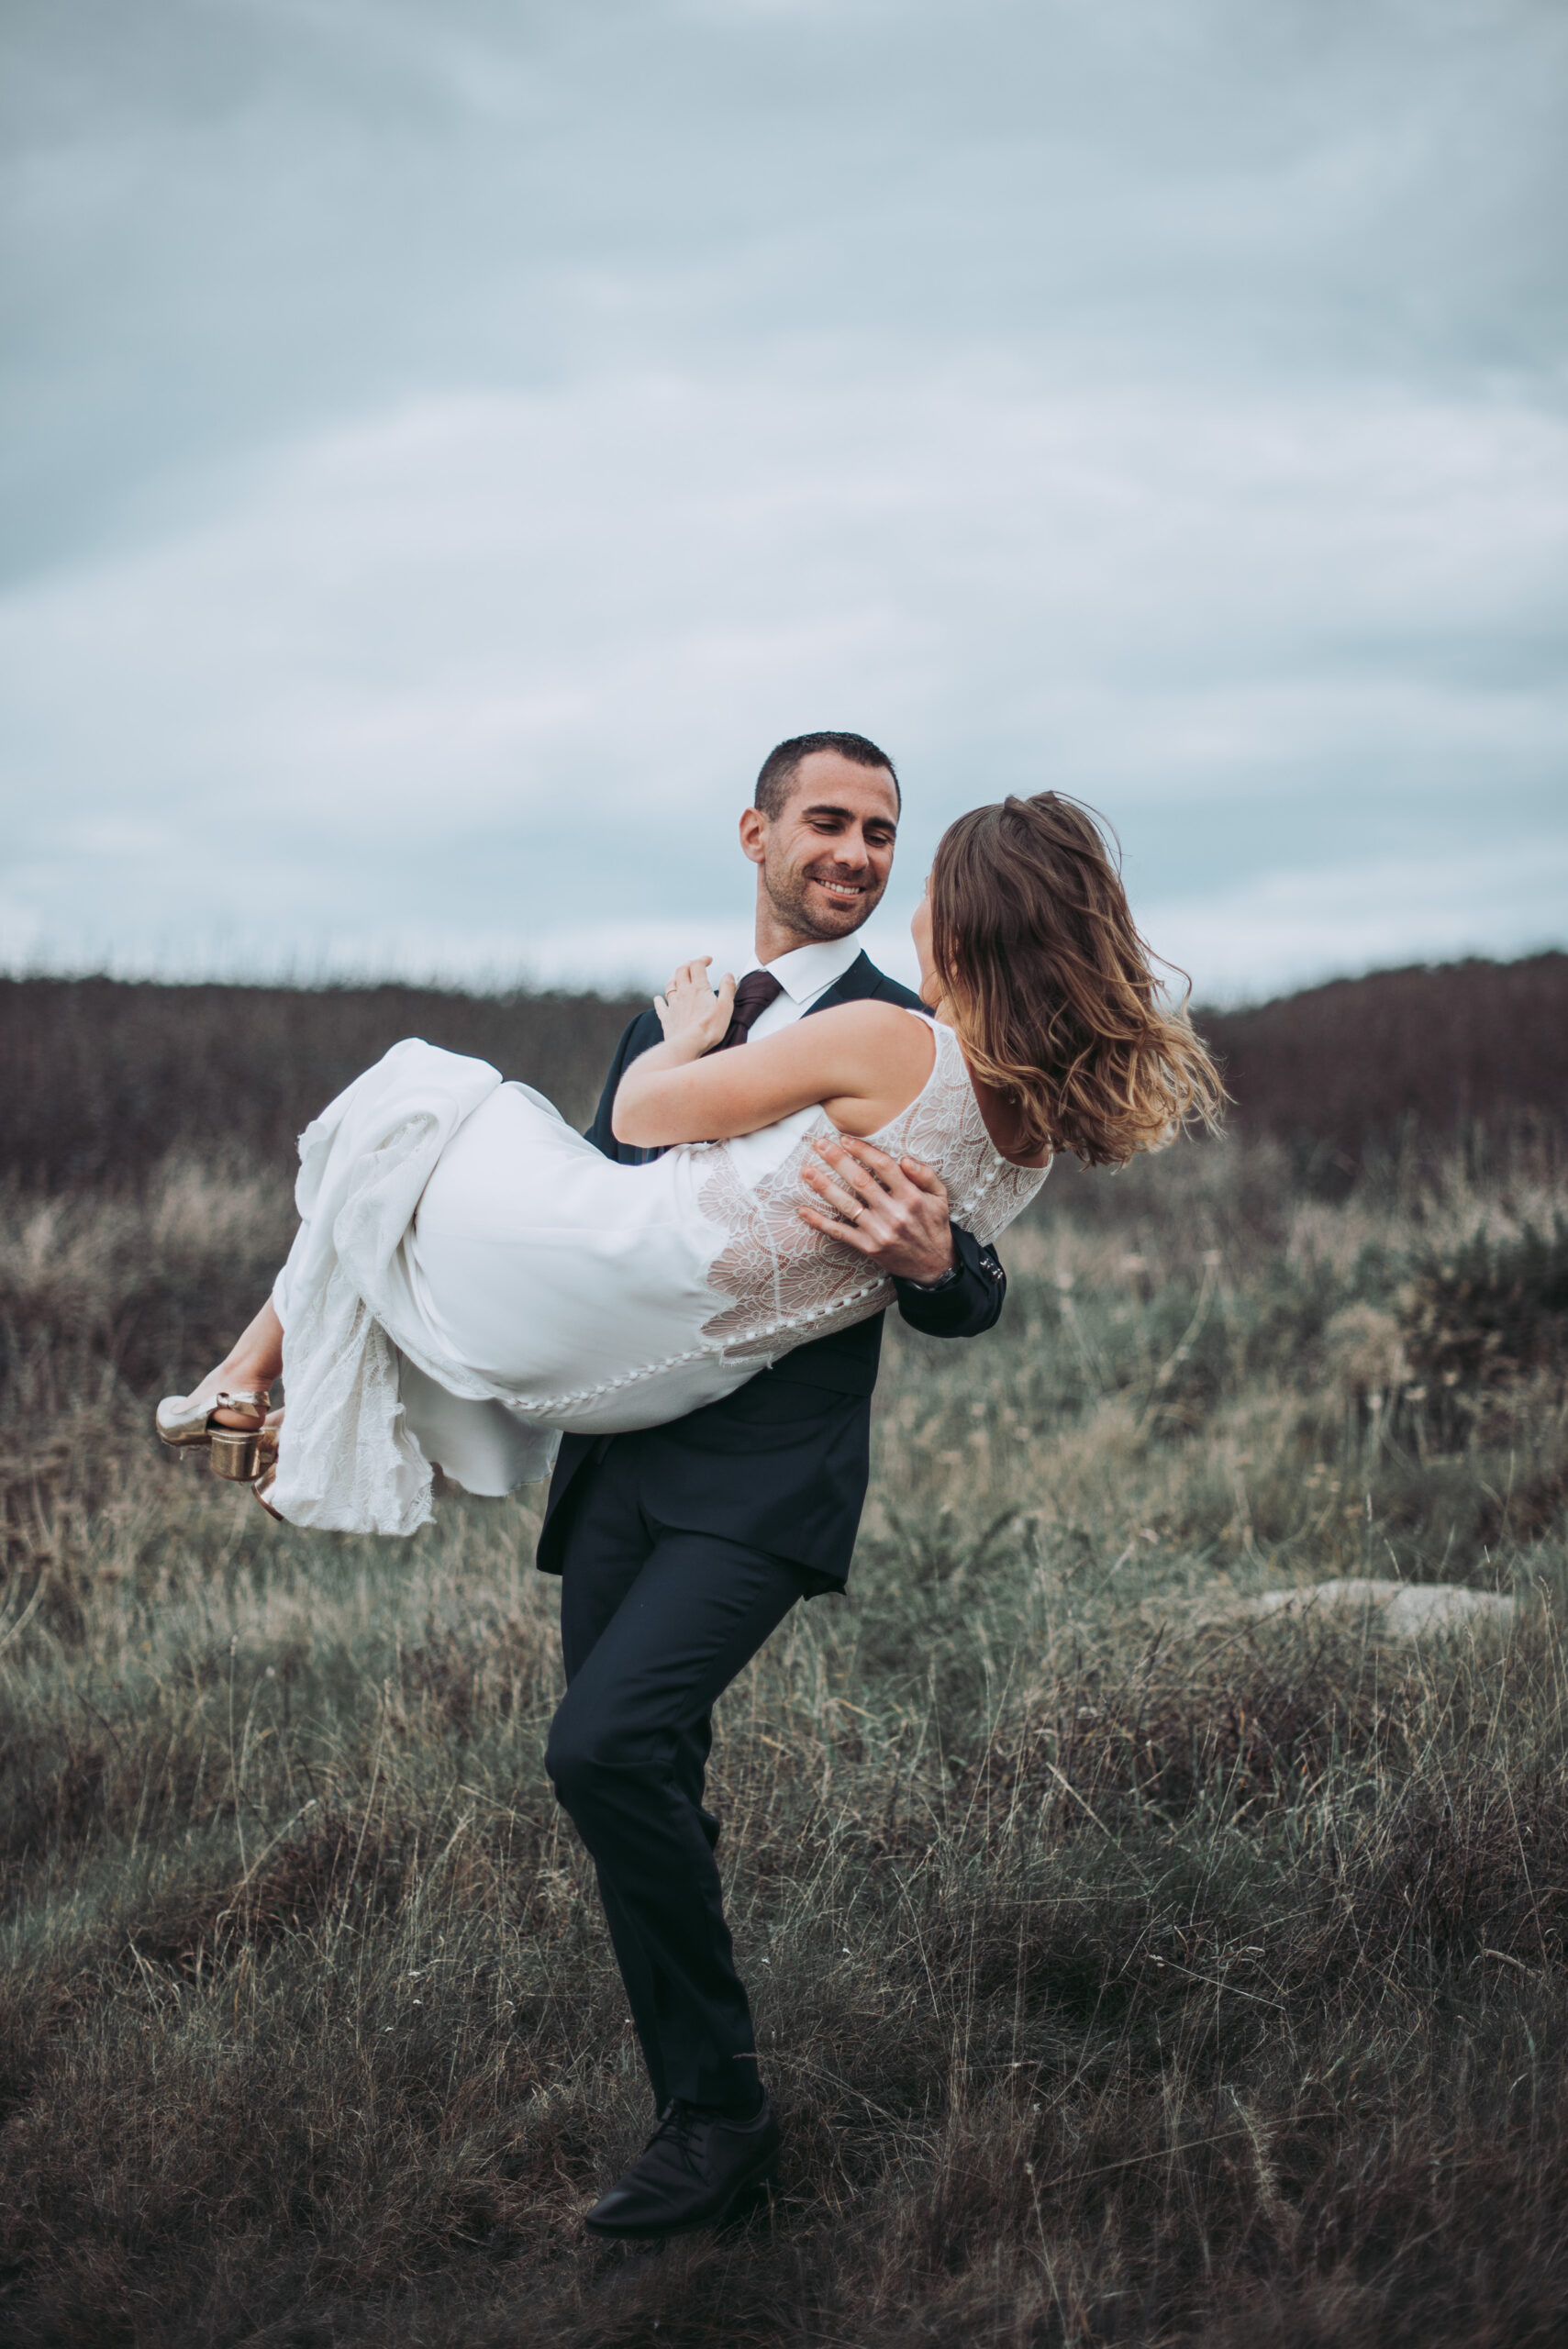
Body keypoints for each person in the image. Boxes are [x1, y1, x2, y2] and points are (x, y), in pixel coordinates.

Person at [158, 745, 1222, 2238]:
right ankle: (704, 2109)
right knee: (638, 1778)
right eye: (832, 826)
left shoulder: (897, 1037)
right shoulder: (726, 1023)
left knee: (600, 1749)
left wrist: (937, 1263)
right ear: (761, 837)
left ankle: (720, 2118)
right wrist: (680, 1046)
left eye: (888, 842)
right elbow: (615, 1177)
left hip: (758, 1486)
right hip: (625, 1450)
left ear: (951, 915)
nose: (859, 858)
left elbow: (949, 1276)